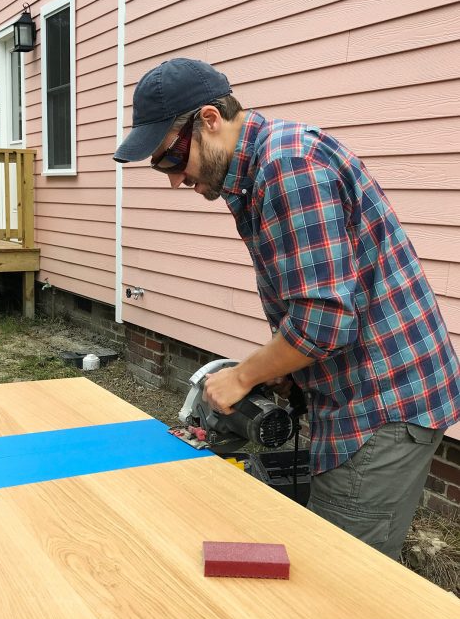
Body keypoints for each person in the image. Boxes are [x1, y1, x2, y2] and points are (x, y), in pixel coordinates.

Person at [114, 57, 460, 560]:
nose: (173, 179)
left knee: (343, 578)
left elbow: (327, 319)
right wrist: (286, 370)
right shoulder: (259, 169)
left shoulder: (287, 167)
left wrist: (244, 376)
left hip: (380, 401)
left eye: (171, 158)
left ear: (209, 119)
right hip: (359, 389)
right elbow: (320, 300)